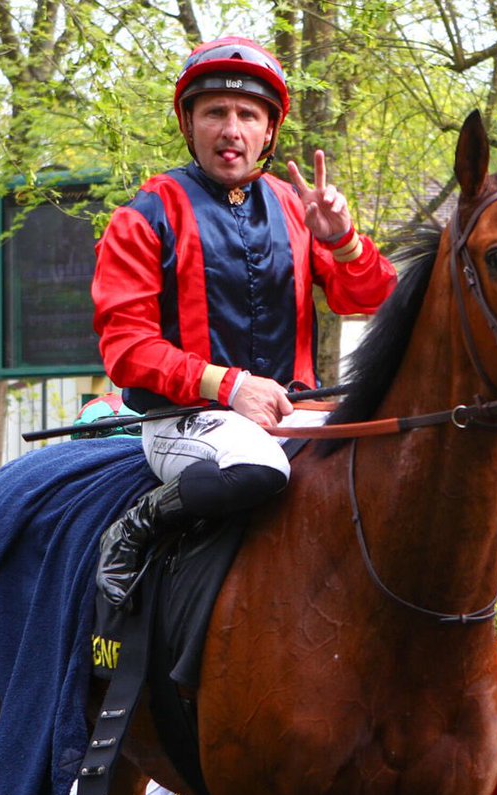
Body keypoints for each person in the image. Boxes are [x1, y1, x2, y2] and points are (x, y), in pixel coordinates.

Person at [90, 36, 397, 607]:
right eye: (215, 113)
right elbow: (126, 349)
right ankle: (134, 527)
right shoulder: (143, 216)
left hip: (295, 416)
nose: (232, 129)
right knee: (258, 468)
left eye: (247, 115)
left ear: (268, 132)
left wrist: (343, 241)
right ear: (189, 124)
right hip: (185, 421)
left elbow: (374, 298)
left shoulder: (296, 207)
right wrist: (229, 386)